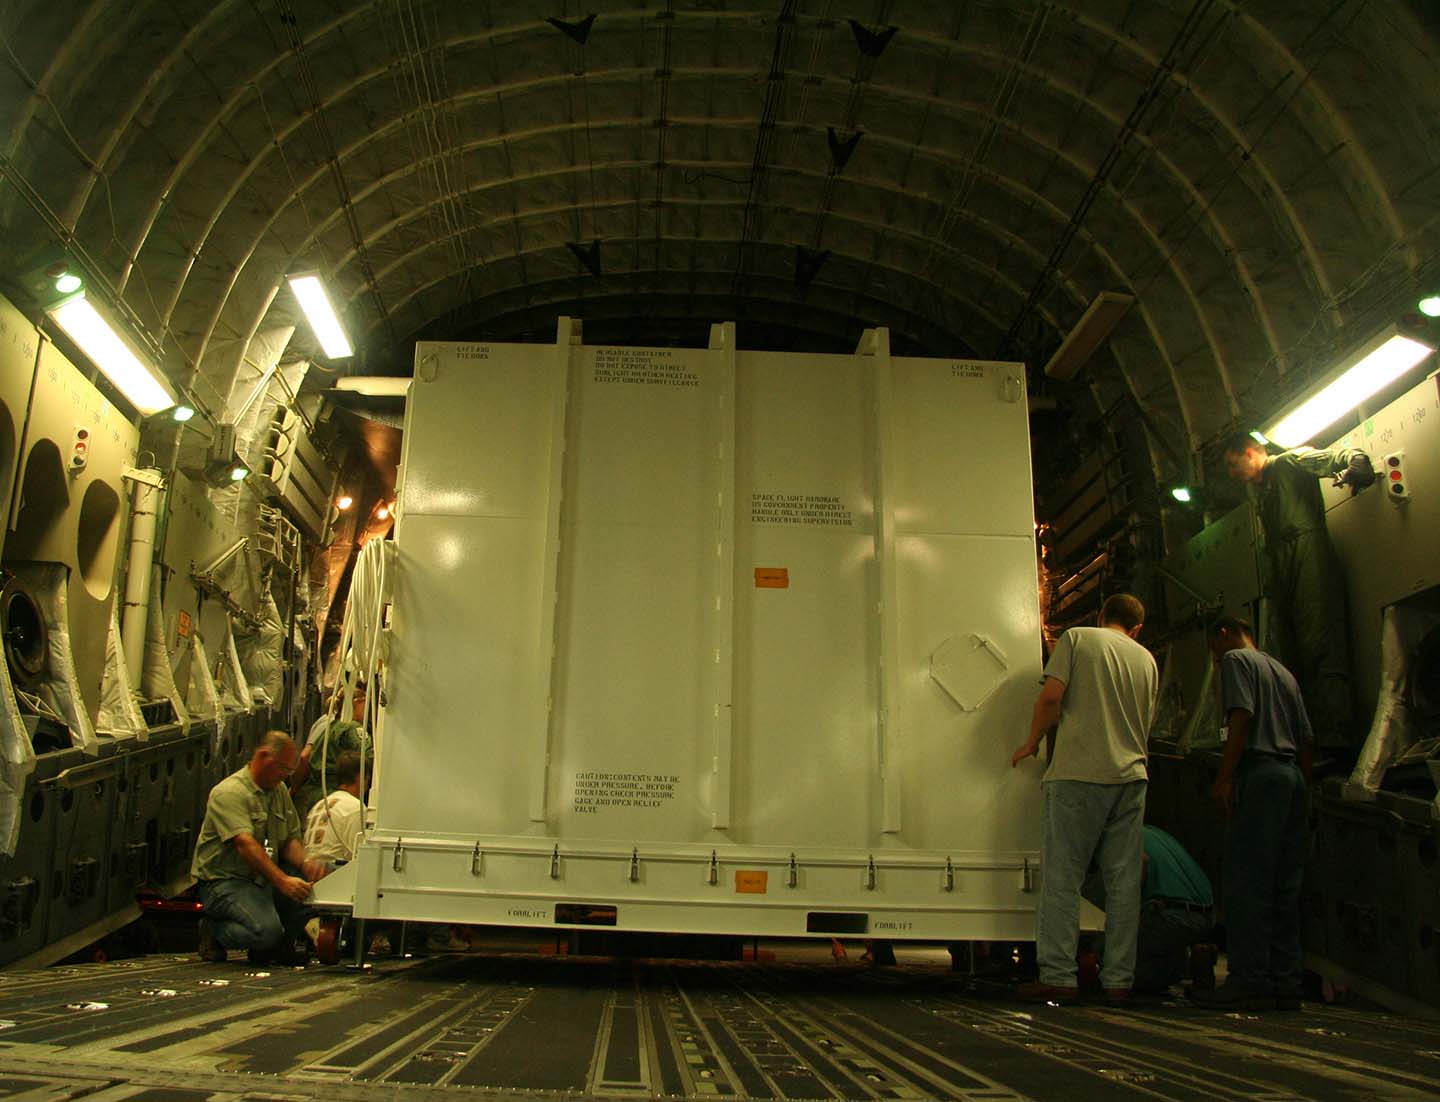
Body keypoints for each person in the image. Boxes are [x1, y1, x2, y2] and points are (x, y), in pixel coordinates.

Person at [1010, 593, 1159, 1005]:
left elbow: (1052, 698)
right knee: (1123, 885)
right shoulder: (1147, 659)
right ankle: (1118, 982)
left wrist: (1032, 742)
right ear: (1136, 628)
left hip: (1078, 775)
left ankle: (1058, 975)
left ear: (1100, 616)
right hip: (1131, 779)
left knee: (1062, 877)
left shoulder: (1078, 639)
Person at [1222, 433, 1373, 755]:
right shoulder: (1261, 493)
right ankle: (1304, 741)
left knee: (1322, 644)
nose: (1232, 475)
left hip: (1307, 555)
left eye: (1234, 465)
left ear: (1250, 453)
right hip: (1282, 564)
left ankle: (1336, 742)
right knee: (1290, 652)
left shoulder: (1289, 463)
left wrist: (1355, 461)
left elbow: (1333, 457)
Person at [1191, 616, 1312, 1011]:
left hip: (1259, 774)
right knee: (1284, 883)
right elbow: (1306, 737)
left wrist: (1225, 778)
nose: (1215, 659)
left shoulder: (1236, 661)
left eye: (1213, 649)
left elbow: (1241, 714)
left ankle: (1250, 979)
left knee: (1248, 881)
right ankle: (1285, 980)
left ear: (1223, 634)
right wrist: (1300, 785)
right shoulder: (1283, 672)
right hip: (1291, 777)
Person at [192, 731, 328, 964]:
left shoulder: (279, 792)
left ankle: (275, 947)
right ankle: (214, 931)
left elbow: (289, 840)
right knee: (265, 931)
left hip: (261, 881)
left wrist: (306, 863)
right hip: (226, 882)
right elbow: (245, 845)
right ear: (264, 756)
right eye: (282, 769)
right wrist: (282, 881)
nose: (285, 776)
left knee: (315, 890)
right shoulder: (230, 793)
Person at [1081, 826, 1214, 995]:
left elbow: (1139, 862)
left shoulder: (1111, 835)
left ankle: (1179, 966)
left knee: (1106, 959)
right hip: (1205, 915)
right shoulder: (1151, 832)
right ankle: (1192, 959)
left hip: (1168, 916)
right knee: (1159, 966)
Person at [290, 688, 368, 825]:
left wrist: (294, 789)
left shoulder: (329, 725)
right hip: (334, 795)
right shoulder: (351, 728)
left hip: (314, 796)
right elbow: (369, 758)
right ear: (357, 703)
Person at [303, 750, 366, 871]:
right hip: (332, 874)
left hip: (307, 873)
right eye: (367, 779)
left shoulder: (319, 805)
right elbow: (356, 858)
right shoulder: (356, 808)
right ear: (360, 778)